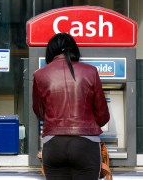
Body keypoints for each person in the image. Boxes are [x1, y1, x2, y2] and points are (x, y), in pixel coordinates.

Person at [32, 33, 110, 180]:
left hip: (54, 145)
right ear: (74, 50)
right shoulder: (91, 71)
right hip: (85, 145)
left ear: (50, 52)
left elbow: (39, 112)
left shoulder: (39, 75)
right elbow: (103, 116)